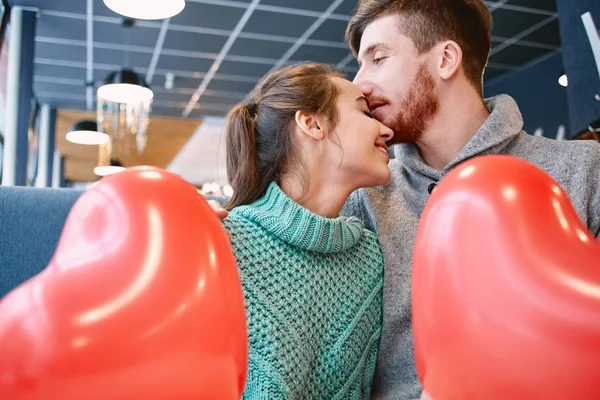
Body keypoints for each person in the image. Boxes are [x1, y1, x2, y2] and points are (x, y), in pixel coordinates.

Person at [342, 0, 600, 399]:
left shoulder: (586, 171)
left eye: (378, 58)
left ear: (446, 59)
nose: (359, 83)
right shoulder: (363, 199)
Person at [221, 62, 394, 399]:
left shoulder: (372, 258)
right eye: (366, 113)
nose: (386, 131)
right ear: (312, 122)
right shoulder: (226, 242)